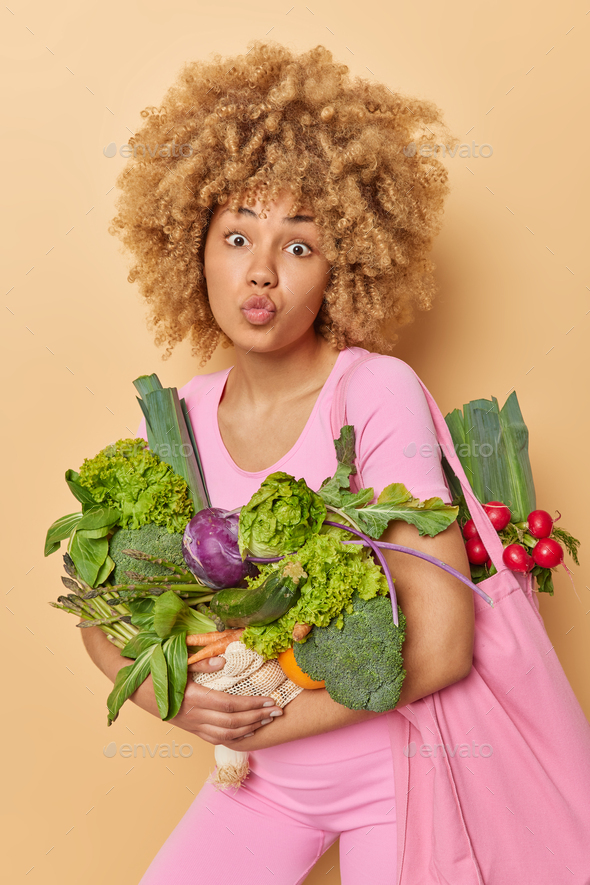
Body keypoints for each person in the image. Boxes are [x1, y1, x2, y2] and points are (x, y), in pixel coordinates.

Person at [82, 42, 474, 884]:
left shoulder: (374, 392)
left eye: (301, 245)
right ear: (193, 247)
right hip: (265, 785)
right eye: (236, 236)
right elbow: (102, 617)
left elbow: (442, 647)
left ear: (346, 265)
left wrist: (251, 723)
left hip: (394, 777)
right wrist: (172, 697)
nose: (262, 271)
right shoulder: (178, 421)